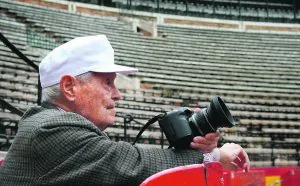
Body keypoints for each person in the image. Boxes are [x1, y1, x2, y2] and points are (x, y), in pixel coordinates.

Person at [0, 35, 250, 186]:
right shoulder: (49, 129)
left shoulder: (48, 124)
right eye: (107, 82)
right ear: (69, 87)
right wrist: (214, 157)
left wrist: (199, 150)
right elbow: (128, 165)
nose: (117, 94)